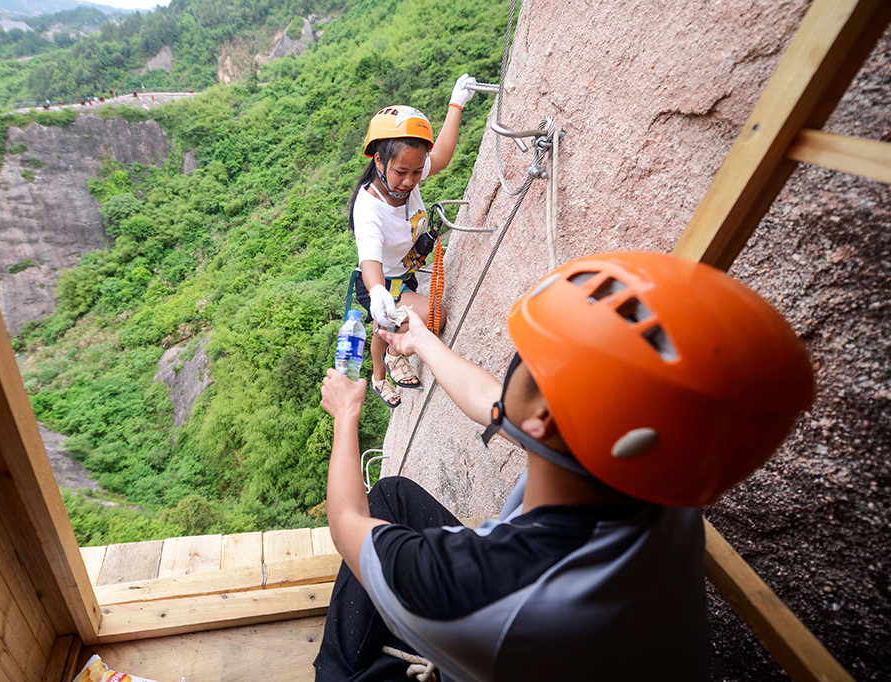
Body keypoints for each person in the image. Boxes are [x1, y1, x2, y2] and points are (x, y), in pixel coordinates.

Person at [315, 251, 815, 682]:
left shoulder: (468, 587)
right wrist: (421, 341)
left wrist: (346, 415)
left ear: (544, 418)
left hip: (507, 621)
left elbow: (347, 525)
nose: (514, 364)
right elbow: (501, 402)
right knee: (393, 495)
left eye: (528, 360)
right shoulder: (658, 467)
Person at [349, 74, 478, 409]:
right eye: (401, 172)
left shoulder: (409, 170)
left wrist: (456, 104)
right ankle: (382, 371)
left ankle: (391, 354)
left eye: (417, 172)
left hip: (403, 273)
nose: (409, 181)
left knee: (396, 324)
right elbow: (369, 260)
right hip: (382, 283)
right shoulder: (369, 209)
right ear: (378, 161)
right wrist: (378, 292)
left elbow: (445, 155)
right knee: (432, 319)